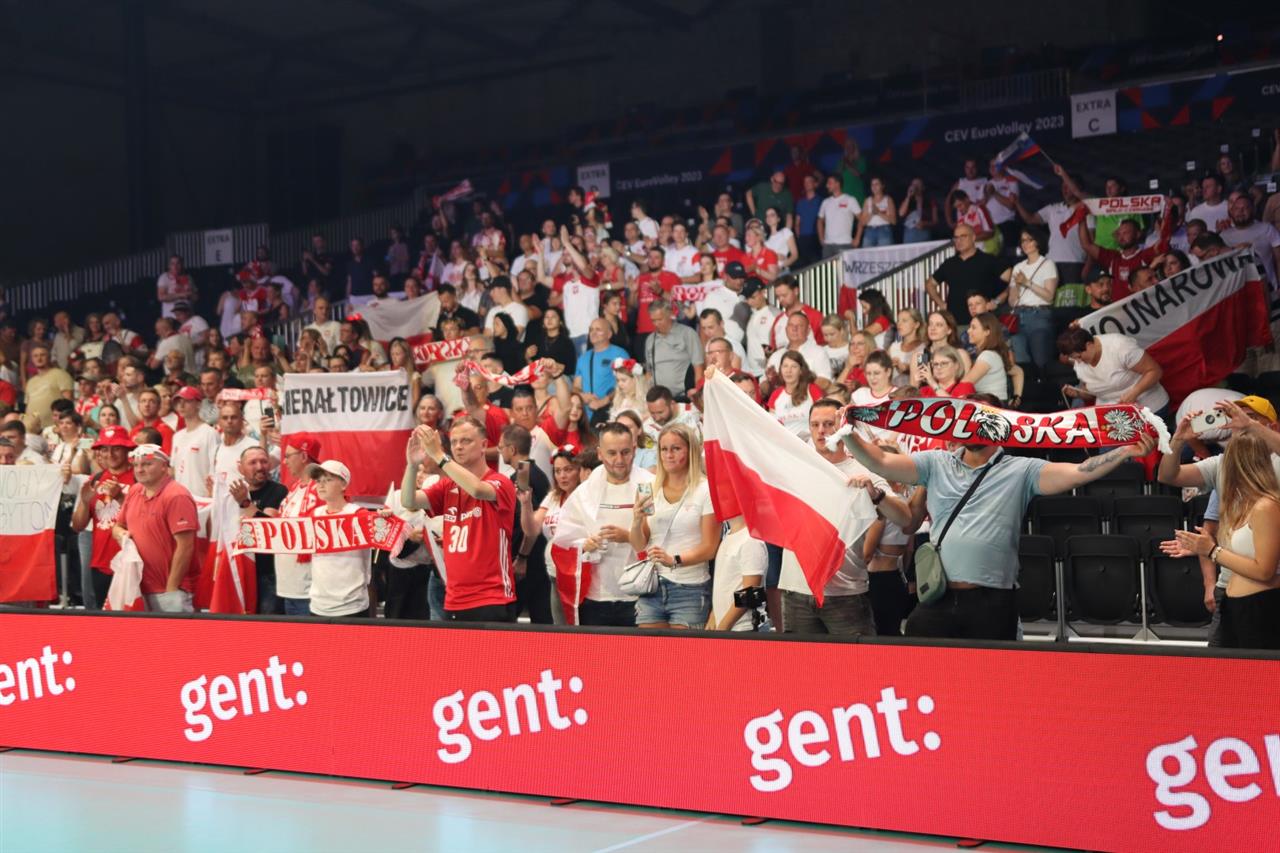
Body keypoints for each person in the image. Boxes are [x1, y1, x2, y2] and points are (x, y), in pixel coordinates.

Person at [842, 403, 1158, 640]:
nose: (972, 428)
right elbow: (881, 460)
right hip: (937, 594)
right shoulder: (935, 463)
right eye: (967, 422)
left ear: (998, 428)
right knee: (925, 678)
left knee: (993, 686)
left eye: (980, 422)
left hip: (991, 601)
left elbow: (1079, 472)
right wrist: (848, 433)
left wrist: (1123, 452)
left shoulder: (1022, 470)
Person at [779, 399, 910, 636]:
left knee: (856, 660)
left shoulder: (862, 471)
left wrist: (876, 495)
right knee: (800, 661)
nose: (821, 430)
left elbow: (905, 519)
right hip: (796, 590)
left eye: (829, 424)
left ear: (842, 426)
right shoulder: (795, 468)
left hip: (846, 593)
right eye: (815, 425)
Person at [1160, 431, 1280, 649]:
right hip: (1233, 605)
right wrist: (1199, 547)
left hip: (1260, 609)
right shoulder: (1241, 503)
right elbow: (1242, 551)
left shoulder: (1266, 506)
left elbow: (1264, 571)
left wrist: (1212, 551)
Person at [409, 418, 517, 621]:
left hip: (492, 597)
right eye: (454, 442)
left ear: (484, 445)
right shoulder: (447, 486)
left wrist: (439, 455)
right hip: (455, 599)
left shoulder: (500, 482)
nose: (458, 447)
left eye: (466, 440)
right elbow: (409, 500)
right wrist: (412, 465)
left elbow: (477, 489)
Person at [552, 421, 654, 626]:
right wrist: (584, 544)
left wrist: (628, 537)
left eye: (625, 452)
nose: (619, 460)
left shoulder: (649, 485)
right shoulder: (585, 492)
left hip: (640, 594)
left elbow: (664, 536)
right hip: (596, 596)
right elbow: (562, 541)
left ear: (635, 449)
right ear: (600, 453)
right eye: (612, 453)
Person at [628, 423, 720, 629]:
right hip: (652, 585)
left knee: (684, 650)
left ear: (690, 451)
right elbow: (639, 544)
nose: (668, 455)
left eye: (676, 448)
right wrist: (636, 520)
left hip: (691, 587)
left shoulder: (705, 490)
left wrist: (674, 560)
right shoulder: (648, 488)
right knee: (649, 649)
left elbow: (710, 547)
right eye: (664, 449)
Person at [112, 444, 199, 612]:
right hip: (138, 588)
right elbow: (118, 526)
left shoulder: (177, 496)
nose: (140, 469)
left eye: (147, 464)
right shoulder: (135, 491)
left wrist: (171, 588)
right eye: (136, 465)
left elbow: (186, 546)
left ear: (164, 466)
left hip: (169, 590)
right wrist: (122, 535)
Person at [70, 426, 136, 608]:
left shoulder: (139, 479)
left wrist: (120, 498)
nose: (110, 454)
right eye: (105, 449)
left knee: (132, 618)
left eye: (116, 449)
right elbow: (77, 526)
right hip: (100, 564)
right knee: (104, 618)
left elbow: (145, 519)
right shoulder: (95, 480)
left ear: (127, 450)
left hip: (130, 563)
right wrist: (84, 503)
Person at [307, 460, 375, 618]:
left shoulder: (358, 514)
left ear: (343, 484)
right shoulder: (314, 514)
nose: (321, 485)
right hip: (318, 604)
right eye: (318, 481)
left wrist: (384, 519)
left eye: (328, 479)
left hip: (352, 605)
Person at [524, 446, 583, 625]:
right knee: (560, 629)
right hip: (555, 574)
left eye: (568, 469)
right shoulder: (552, 497)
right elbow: (532, 529)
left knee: (582, 629)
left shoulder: (586, 496)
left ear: (579, 470)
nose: (562, 476)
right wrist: (526, 504)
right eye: (557, 471)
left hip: (580, 576)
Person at [501, 424, 553, 624]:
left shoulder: (522, 479)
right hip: (537, 559)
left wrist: (522, 557)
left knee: (511, 620)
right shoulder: (538, 474)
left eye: (501, 447)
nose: (500, 452)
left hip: (528, 562)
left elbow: (531, 526)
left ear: (512, 449)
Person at [1057, 328, 1169, 417]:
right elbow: (1094, 391)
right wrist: (1078, 393)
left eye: (1079, 357)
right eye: (1074, 358)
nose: (1078, 361)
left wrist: (1135, 392)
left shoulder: (1119, 346)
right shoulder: (1079, 359)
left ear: (1089, 345)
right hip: (1112, 415)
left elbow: (1155, 371)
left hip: (1147, 409)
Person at [230, 446, 288, 614]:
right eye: (253, 462)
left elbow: (268, 528)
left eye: (264, 462)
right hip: (239, 569)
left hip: (267, 572)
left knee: (267, 623)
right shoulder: (231, 493)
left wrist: (245, 503)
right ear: (240, 468)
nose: (260, 467)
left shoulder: (278, 490)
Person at [276, 438, 323, 617]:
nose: (284, 461)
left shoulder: (321, 490)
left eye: (288, 456)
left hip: (309, 590)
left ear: (303, 456)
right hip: (289, 586)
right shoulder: (295, 488)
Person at [1000, 226, 1059, 371]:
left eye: (1029, 240)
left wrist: (1027, 283)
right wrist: (1017, 286)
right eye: (1023, 241)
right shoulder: (1018, 267)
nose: (1025, 244)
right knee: (1021, 362)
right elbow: (1012, 301)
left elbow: (1049, 296)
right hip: (1018, 316)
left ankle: (1043, 384)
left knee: (1041, 361)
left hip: (1039, 316)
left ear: (1038, 242)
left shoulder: (1047, 264)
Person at [925, 224, 1009, 324]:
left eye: (963, 236)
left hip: (982, 323)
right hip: (956, 323)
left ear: (973, 238)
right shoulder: (949, 263)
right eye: (956, 237)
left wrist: (997, 301)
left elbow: (1012, 280)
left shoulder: (987, 259)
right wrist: (941, 304)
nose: (959, 240)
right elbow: (930, 284)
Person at [1078, 214, 1169, 300]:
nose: (1121, 237)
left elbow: (1164, 241)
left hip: (1141, 307)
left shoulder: (1145, 255)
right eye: (1119, 234)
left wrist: (1167, 213)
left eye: (1126, 233)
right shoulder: (1113, 257)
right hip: (1118, 309)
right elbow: (1086, 245)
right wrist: (1081, 218)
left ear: (1138, 234)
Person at [708, 513, 768, 631]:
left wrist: (724, 626)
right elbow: (724, 583)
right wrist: (714, 615)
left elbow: (751, 592)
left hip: (745, 629)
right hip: (729, 628)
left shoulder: (751, 540)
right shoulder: (729, 535)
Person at [644, 300, 703, 398]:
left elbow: (698, 368)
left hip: (684, 396)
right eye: (653, 320)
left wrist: (698, 394)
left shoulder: (687, 333)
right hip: (659, 398)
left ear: (670, 314)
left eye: (660, 319)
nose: (656, 324)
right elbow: (649, 372)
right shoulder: (650, 340)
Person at [170, 386, 218, 498]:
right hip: (180, 497)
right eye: (178, 402)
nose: (181, 405)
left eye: (187, 401)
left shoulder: (210, 433)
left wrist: (211, 496)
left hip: (202, 497)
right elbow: (174, 470)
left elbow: (215, 469)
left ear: (198, 404)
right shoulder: (177, 436)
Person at [765, 351, 823, 439]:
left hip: (809, 441)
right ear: (780, 369)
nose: (788, 371)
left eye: (794, 366)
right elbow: (772, 425)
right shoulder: (776, 394)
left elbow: (823, 417)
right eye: (785, 366)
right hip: (784, 441)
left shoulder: (812, 390)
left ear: (801, 370)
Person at [962, 314, 1014, 404]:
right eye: (970, 327)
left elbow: (965, 384)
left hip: (992, 406)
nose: (968, 331)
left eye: (973, 327)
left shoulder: (987, 356)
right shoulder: (990, 354)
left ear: (987, 332)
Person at [818, 174, 858, 258]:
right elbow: (820, 220)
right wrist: (821, 238)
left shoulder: (850, 199)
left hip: (845, 243)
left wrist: (857, 238)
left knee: (844, 267)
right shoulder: (825, 202)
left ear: (837, 184)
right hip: (828, 245)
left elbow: (861, 219)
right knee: (827, 267)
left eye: (829, 183)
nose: (827, 185)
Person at [854, 177, 897, 248]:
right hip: (869, 231)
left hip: (884, 230)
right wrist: (871, 214)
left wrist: (879, 213)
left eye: (877, 184)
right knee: (867, 254)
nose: (874, 187)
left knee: (884, 253)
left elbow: (894, 221)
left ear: (882, 186)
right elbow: (863, 222)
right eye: (872, 185)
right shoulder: (867, 201)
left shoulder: (888, 199)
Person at [899, 178, 940, 244]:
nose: (915, 186)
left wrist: (925, 223)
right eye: (913, 184)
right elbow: (901, 213)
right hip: (909, 232)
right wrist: (908, 196)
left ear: (923, 187)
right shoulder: (907, 200)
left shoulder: (930, 201)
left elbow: (936, 221)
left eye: (918, 184)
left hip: (924, 232)